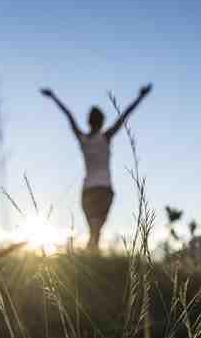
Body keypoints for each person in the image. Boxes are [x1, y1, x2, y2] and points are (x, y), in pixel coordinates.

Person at [40, 84, 152, 252]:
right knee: (96, 228)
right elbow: (124, 116)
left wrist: (54, 96)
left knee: (94, 227)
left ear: (88, 121)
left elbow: (69, 116)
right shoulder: (105, 137)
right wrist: (140, 97)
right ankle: (92, 253)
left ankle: (91, 252)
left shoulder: (83, 139)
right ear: (102, 122)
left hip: (88, 190)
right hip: (105, 189)